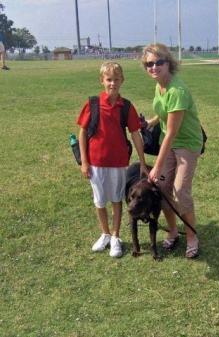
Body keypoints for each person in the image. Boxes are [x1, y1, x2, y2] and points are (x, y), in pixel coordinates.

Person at [77, 61, 149, 258]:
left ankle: (116, 236)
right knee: (99, 200)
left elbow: (135, 134)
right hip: (95, 163)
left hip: (118, 163)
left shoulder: (126, 106)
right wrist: (84, 161)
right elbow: (82, 133)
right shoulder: (92, 104)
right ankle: (105, 233)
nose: (112, 84)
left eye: (116, 80)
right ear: (102, 81)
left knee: (117, 199)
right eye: (109, 80)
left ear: (122, 81)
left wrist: (142, 162)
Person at [142, 43, 203, 259]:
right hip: (168, 140)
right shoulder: (159, 85)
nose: (154, 67)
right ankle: (174, 231)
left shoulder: (177, 90)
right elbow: (164, 111)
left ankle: (192, 236)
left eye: (159, 62)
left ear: (169, 63)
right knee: (162, 188)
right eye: (149, 63)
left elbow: (172, 133)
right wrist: (152, 120)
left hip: (186, 143)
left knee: (180, 190)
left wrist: (156, 166)